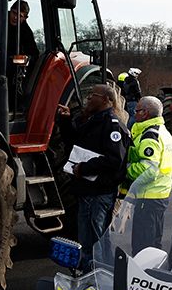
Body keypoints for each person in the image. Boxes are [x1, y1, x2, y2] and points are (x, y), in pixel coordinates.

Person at [55, 84, 129, 270]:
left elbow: (114, 160)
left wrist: (84, 169)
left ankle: (95, 280)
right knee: (88, 241)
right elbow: (74, 140)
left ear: (106, 100)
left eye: (92, 94)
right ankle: (91, 275)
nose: (88, 98)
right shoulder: (94, 121)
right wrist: (66, 120)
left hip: (98, 194)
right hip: (87, 192)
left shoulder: (112, 125)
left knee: (93, 243)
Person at [125, 95, 172, 255]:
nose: (134, 114)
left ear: (145, 113)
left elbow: (148, 170)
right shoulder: (163, 132)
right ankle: (153, 273)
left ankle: (142, 276)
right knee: (153, 244)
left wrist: (124, 170)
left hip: (147, 198)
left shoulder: (149, 136)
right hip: (159, 196)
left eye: (137, 111)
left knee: (142, 248)